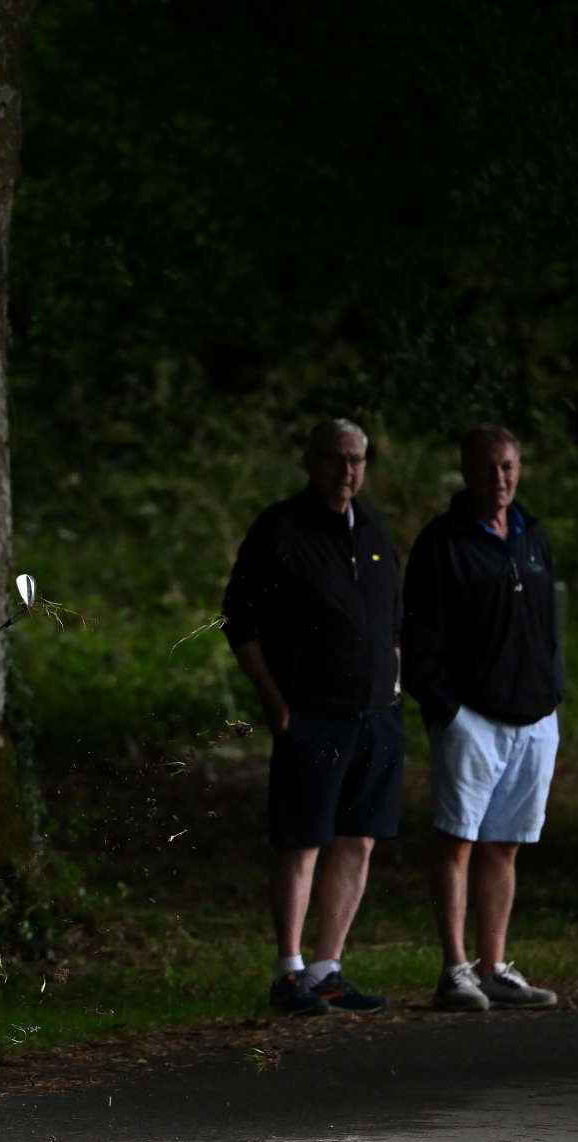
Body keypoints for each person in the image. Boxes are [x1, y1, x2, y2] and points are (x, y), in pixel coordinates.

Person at [222, 419, 404, 1017]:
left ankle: (329, 967)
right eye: (335, 459)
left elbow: (391, 619)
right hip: (312, 716)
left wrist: (394, 680)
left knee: (359, 838)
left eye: (356, 460)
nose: (347, 471)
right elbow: (241, 622)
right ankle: (289, 970)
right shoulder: (281, 531)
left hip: (376, 715)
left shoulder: (374, 531)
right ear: (311, 461)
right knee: (302, 840)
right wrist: (276, 703)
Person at [403, 426, 563, 1012]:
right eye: (489, 467)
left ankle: (495, 965)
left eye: (509, 466)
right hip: (471, 718)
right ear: (467, 471)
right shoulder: (442, 543)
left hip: (534, 717)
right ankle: (454, 969)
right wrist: (446, 709)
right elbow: (418, 636)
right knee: (458, 842)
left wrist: (554, 693)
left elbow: (551, 627)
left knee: (505, 845)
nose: (500, 478)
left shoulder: (533, 536)